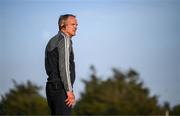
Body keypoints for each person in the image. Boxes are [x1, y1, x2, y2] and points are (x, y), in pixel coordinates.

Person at [45, 14, 78, 115]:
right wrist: (69, 90)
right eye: (73, 24)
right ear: (62, 25)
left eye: (76, 24)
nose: (76, 27)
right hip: (61, 89)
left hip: (51, 88)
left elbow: (48, 67)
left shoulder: (52, 40)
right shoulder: (64, 39)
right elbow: (64, 67)